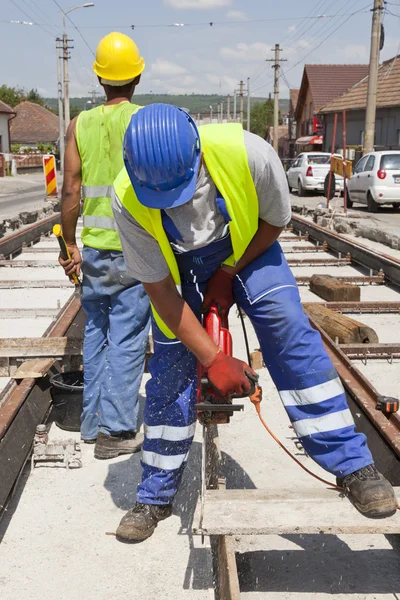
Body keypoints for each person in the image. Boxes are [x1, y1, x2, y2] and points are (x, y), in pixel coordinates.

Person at [111, 104, 397, 541]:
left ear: (196, 154)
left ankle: (352, 464)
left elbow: (274, 222)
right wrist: (214, 359)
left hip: (251, 250)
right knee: (170, 365)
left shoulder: (250, 154)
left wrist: (227, 272)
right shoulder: (126, 198)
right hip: (178, 270)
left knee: (288, 329)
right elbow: (161, 293)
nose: (178, 203)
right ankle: (155, 493)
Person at [59, 33, 150, 460]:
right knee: (129, 335)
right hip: (135, 249)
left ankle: (91, 425)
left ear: (99, 77)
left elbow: (70, 190)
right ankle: (117, 429)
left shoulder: (79, 124)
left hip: (94, 250)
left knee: (96, 332)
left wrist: (69, 245)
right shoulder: (145, 122)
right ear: (137, 75)